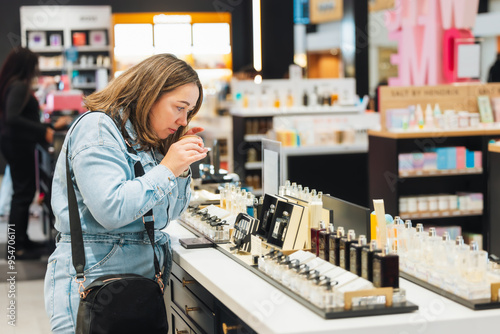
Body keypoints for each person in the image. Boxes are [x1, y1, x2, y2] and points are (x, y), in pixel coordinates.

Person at [44, 53, 208, 332]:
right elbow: (111, 209)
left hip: (139, 283)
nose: (183, 120)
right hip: (95, 278)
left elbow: (169, 214)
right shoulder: (97, 128)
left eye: (189, 112)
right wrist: (167, 168)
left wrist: (179, 169)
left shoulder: (148, 139)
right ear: (149, 94)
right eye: (179, 107)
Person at [0, 47, 62, 259]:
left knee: (23, 194)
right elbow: (13, 117)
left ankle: (20, 241)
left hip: (16, 144)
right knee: (22, 195)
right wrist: (43, 130)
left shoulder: (13, 85)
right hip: (17, 145)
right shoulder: (18, 86)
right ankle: (15, 247)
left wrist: (44, 125)